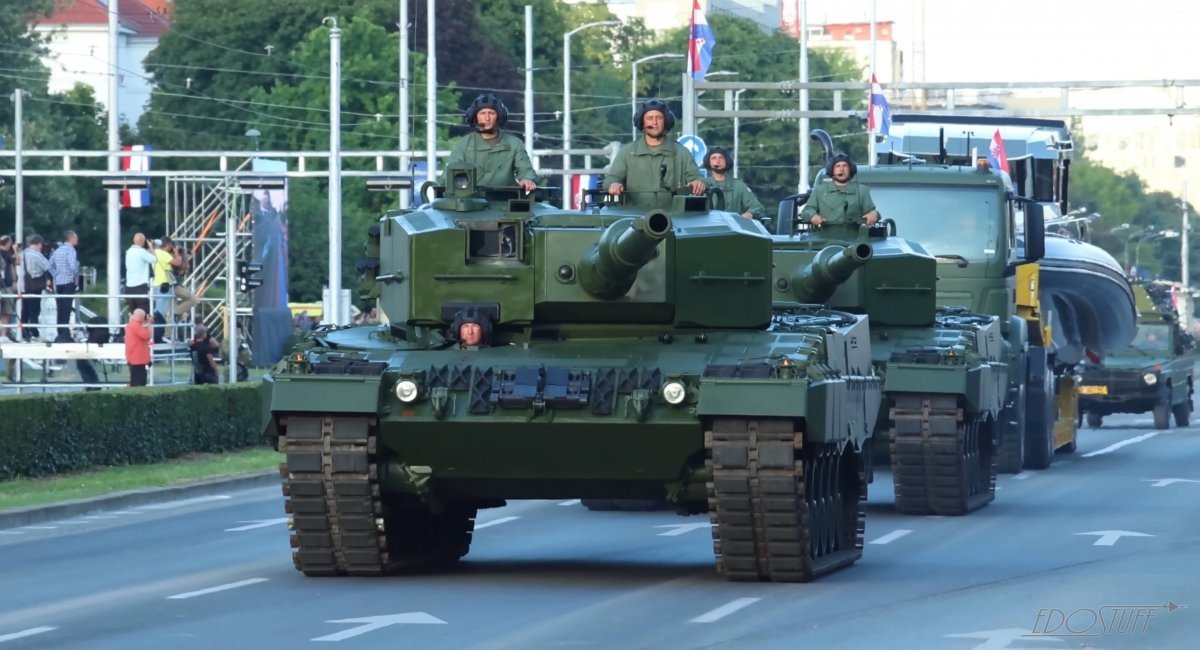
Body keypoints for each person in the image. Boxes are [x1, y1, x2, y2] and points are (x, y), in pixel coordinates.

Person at [605, 99, 706, 209]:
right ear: (642, 122)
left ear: (666, 121)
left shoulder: (681, 153)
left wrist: (698, 183)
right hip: (633, 216)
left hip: (673, 217)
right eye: (649, 118)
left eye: (659, 118)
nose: (654, 122)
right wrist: (614, 185)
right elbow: (612, 178)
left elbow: (697, 177)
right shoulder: (627, 152)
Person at [445, 93, 538, 191]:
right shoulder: (463, 145)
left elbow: (525, 169)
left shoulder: (514, 144)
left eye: (491, 113)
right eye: (482, 113)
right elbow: (448, 176)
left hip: (506, 199)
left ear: (499, 116)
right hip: (470, 201)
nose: (487, 118)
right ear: (475, 117)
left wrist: (526, 179)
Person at [799, 153, 879, 227]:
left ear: (851, 169)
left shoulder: (861, 190)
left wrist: (874, 214)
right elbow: (806, 211)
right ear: (831, 170)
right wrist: (813, 215)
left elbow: (871, 212)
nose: (841, 169)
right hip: (824, 236)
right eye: (837, 166)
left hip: (855, 237)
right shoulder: (819, 191)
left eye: (845, 166)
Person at [702, 147, 767, 221]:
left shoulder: (739, 186)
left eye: (721, 158)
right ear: (708, 162)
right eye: (713, 158)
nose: (717, 161)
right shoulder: (702, 185)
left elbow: (756, 206)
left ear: (727, 161)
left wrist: (749, 213)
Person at [48, 230, 80, 342]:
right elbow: (73, 265)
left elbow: (49, 265)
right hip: (68, 282)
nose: (77, 240)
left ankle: (60, 331)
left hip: (59, 283)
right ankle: (64, 333)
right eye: (76, 238)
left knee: (60, 308)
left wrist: (56, 275)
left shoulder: (58, 250)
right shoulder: (71, 250)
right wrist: (75, 276)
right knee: (66, 308)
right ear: (71, 238)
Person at [20, 235, 51, 341]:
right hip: (35, 285)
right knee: (35, 309)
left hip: (24, 284)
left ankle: (23, 331)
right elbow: (47, 266)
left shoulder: (23, 253)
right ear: (38, 244)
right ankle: (34, 330)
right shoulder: (37, 255)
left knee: (25, 309)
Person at [124, 233, 157, 313]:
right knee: (143, 312)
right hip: (140, 286)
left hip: (129, 286)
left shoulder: (128, 251)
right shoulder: (142, 252)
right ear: (143, 242)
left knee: (133, 313)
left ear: (133, 241)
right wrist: (151, 247)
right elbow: (154, 259)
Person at [124, 308, 152, 387]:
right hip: (138, 359)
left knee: (135, 381)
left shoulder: (131, 325)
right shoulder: (135, 325)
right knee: (139, 382)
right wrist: (149, 324)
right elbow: (147, 335)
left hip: (135, 358)